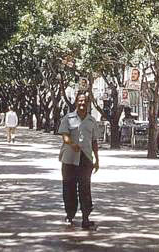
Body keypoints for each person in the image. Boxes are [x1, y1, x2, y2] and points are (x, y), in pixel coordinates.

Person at [58, 91, 100, 229]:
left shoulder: (92, 121)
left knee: (85, 189)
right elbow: (64, 136)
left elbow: (94, 142)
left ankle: (86, 218)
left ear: (88, 104)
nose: (82, 103)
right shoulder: (68, 118)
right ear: (76, 102)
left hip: (85, 159)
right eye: (80, 101)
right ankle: (69, 215)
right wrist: (71, 143)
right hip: (69, 159)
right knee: (69, 188)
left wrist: (97, 160)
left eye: (85, 101)